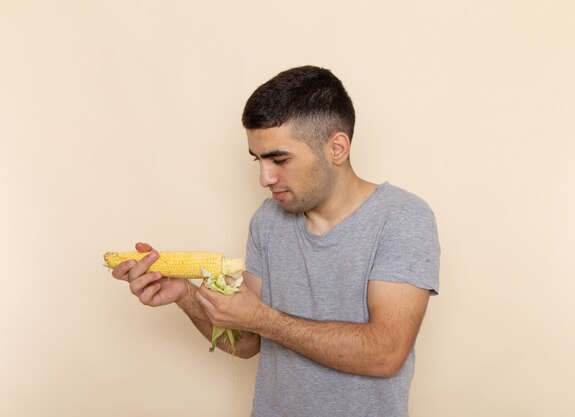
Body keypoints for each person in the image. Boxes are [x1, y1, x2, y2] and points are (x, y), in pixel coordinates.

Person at [111, 65, 440, 417]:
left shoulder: (402, 217)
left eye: (279, 159)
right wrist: (185, 295)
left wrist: (264, 319)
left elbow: (385, 353)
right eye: (258, 159)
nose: (264, 178)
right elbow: (248, 343)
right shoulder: (267, 221)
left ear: (337, 148)